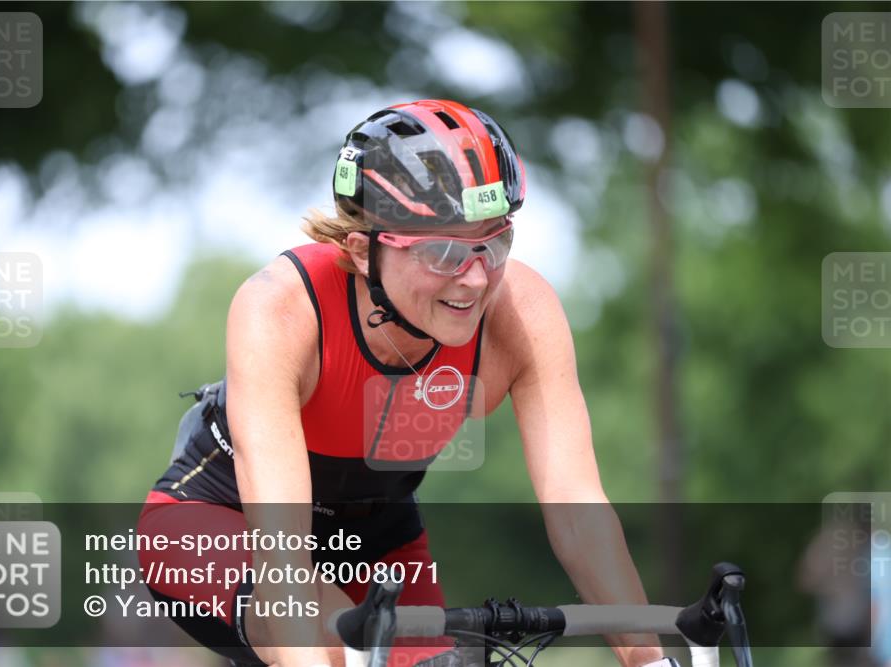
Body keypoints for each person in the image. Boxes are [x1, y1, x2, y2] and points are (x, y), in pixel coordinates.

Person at [138, 99, 668, 667]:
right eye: (443, 251)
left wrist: (649, 659)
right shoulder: (281, 309)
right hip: (222, 518)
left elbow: (576, 505)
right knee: (334, 647)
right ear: (364, 252)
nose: (475, 277)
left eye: (493, 243)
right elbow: (282, 561)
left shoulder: (522, 313)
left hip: (379, 538)